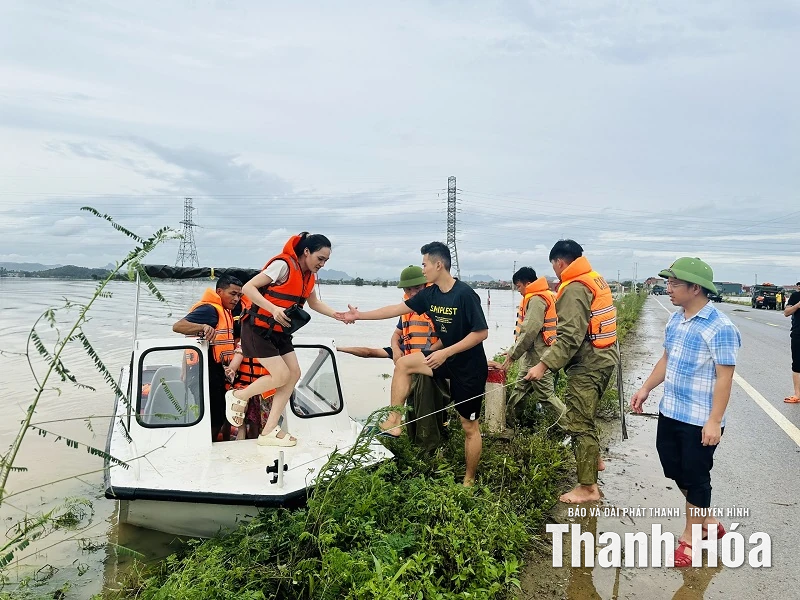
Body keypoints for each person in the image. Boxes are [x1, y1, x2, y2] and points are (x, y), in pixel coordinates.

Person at [337, 242, 489, 485]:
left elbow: (480, 333)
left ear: (439, 265)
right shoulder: (430, 295)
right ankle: (394, 421)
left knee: (468, 426)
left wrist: (445, 352)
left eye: (425, 264)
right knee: (404, 364)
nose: (424, 269)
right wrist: (359, 316)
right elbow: (395, 309)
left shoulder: (465, 294)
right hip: (443, 359)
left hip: (469, 368)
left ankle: (469, 479)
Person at [630, 257, 741, 567]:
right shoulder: (676, 320)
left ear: (696, 288)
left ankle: (690, 539)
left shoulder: (720, 327)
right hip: (671, 411)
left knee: (696, 476)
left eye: (674, 284)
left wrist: (714, 421)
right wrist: (646, 388)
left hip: (699, 418)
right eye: (668, 283)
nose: (669, 289)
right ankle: (708, 521)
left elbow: (725, 377)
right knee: (676, 471)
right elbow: (667, 359)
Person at [225, 232, 341, 446]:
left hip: (280, 331)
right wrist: (272, 308)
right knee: (280, 375)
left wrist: (338, 315)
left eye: (326, 260)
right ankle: (239, 395)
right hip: (258, 328)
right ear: (306, 252)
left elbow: (314, 304)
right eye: (320, 258)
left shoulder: (309, 276)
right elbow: (249, 287)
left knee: (293, 374)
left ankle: (268, 431)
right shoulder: (283, 265)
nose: (322, 264)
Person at [524, 240, 618, 503]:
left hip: (589, 363)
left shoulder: (575, 287)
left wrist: (542, 366)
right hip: (605, 358)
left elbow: (569, 338)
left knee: (579, 422)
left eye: (553, 265)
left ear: (559, 262)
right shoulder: (594, 279)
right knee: (585, 416)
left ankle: (588, 488)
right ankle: (593, 459)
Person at [172, 276, 243, 441]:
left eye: (239, 295)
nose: (236, 299)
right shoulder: (209, 310)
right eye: (233, 294)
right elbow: (178, 326)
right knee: (214, 415)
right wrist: (202, 326)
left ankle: (213, 440)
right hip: (201, 371)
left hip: (215, 369)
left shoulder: (225, 311)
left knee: (219, 411)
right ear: (219, 292)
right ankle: (206, 444)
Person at [499, 266, 565, 429]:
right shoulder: (544, 295)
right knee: (520, 389)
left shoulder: (536, 298)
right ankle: (511, 423)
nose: (519, 291)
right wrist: (513, 350)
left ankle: (573, 427)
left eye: (519, 286)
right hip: (533, 355)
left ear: (528, 283)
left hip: (540, 356)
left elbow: (530, 330)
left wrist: (513, 354)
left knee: (546, 396)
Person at [337, 265, 437, 361]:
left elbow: (447, 338)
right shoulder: (407, 313)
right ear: (403, 289)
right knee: (372, 353)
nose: (413, 293)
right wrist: (396, 349)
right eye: (408, 289)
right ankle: (337, 348)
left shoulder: (436, 307)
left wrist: (424, 355)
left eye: (417, 288)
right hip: (409, 355)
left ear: (425, 285)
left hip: (430, 358)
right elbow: (396, 334)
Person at [783, 282, 800, 403]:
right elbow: (786, 312)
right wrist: (798, 305)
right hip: (798, 334)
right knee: (797, 364)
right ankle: (797, 394)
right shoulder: (795, 296)